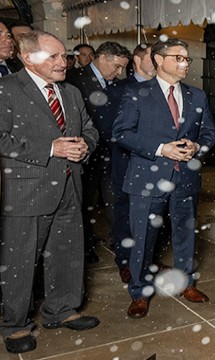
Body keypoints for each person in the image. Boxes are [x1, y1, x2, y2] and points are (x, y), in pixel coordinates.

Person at [0, 30, 100, 354]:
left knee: (67, 252)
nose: (64, 63)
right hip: (26, 191)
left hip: (70, 186)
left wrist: (86, 145)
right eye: (54, 57)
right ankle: (14, 324)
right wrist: (50, 149)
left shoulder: (70, 92)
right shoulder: (7, 90)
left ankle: (61, 309)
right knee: (19, 260)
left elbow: (88, 128)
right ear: (28, 58)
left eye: (64, 56)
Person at [113, 38, 215, 319]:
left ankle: (186, 283)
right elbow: (122, 133)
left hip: (185, 179)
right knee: (144, 239)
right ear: (159, 59)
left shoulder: (198, 96)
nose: (185, 63)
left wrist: (198, 147)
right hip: (147, 178)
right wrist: (162, 149)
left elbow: (210, 133)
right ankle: (139, 291)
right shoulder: (137, 93)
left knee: (185, 235)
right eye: (178, 58)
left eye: (187, 59)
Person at [67, 41, 131, 263]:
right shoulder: (74, 80)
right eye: (117, 66)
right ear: (102, 58)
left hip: (112, 153)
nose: (119, 72)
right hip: (87, 154)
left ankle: (121, 242)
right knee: (84, 202)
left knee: (115, 200)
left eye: (123, 68)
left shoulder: (115, 83)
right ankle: (84, 246)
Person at [108, 43, 156, 283]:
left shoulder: (162, 88)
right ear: (137, 60)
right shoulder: (118, 89)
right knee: (126, 213)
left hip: (156, 164)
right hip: (127, 164)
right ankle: (126, 260)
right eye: (151, 56)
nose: (157, 60)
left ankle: (147, 259)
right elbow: (113, 130)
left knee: (152, 215)